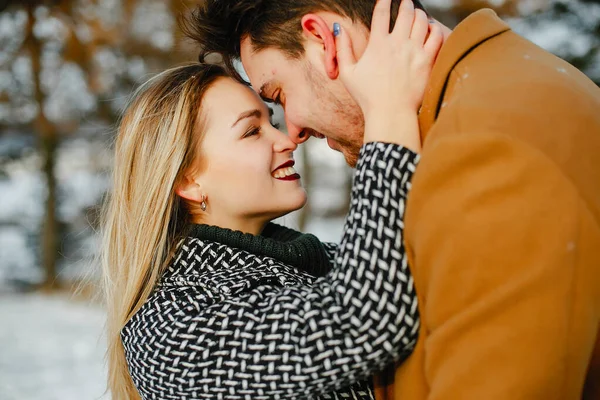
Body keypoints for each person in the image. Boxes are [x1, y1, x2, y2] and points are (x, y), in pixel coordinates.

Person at [187, 0, 600, 398]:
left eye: (278, 95)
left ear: (326, 41)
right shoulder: (492, 99)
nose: (291, 132)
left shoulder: (484, 146)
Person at [101, 3, 442, 399]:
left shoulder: (324, 262)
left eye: (272, 121)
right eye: (251, 131)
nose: (286, 140)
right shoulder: (170, 327)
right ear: (187, 180)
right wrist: (387, 110)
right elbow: (362, 319)